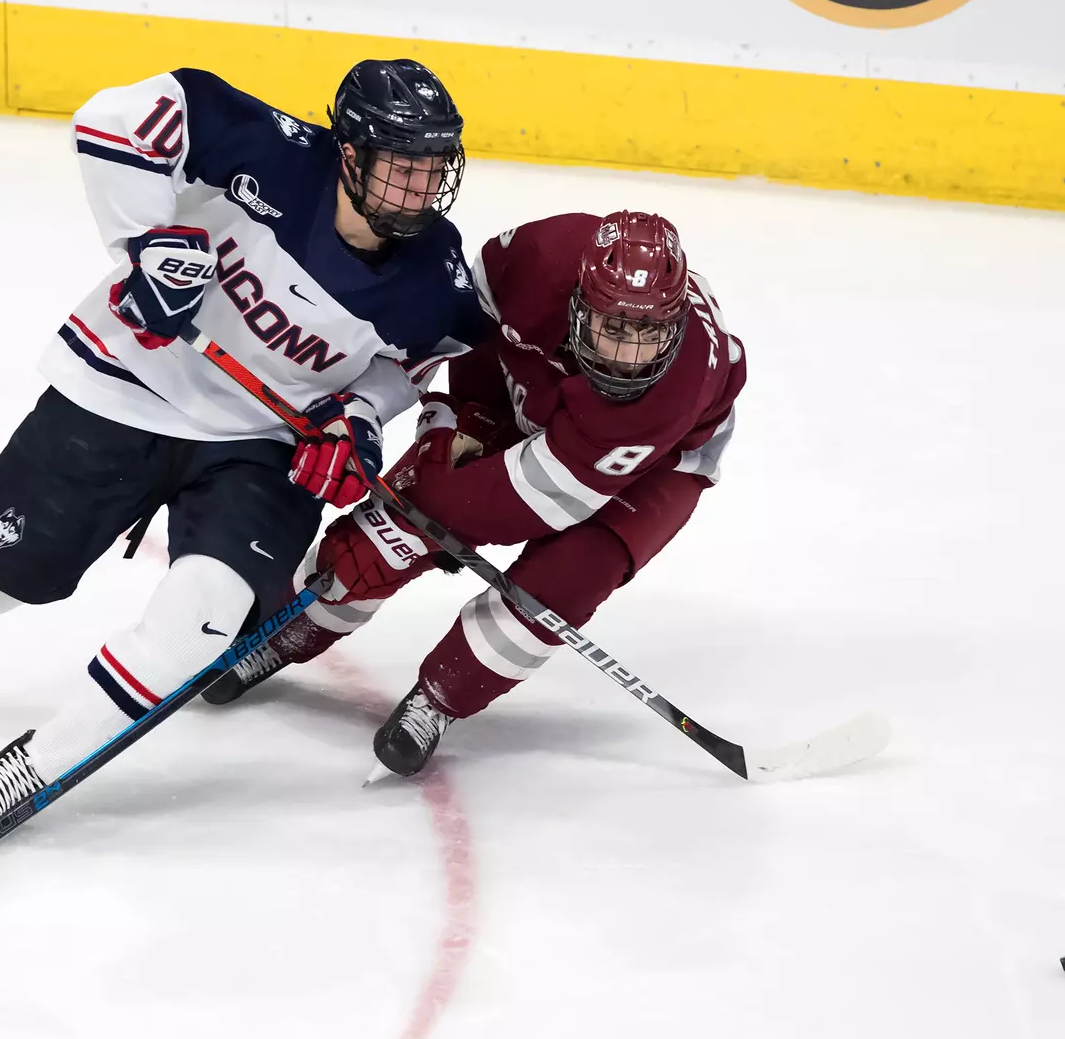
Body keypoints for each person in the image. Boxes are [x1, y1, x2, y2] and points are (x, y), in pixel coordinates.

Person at [0, 58, 491, 836]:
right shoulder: (264, 149)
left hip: (262, 445)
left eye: (434, 171)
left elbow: (409, 365)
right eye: (403, 168)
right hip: (121, 386)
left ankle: (37, 767)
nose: (421, 192)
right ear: (351, 154)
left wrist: (359, 413)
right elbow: (110, 120)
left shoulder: (439, 277)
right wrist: (146, 242)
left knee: (203, 621)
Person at [202, 211, 746, 780]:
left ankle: (440, 698)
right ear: (579, 306)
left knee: (565, 579)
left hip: (659, 464)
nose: (629, 359)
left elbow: (523, 504)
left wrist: (435, 445)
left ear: (676, 322)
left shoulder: (675, 387)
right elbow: (447, 320)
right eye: (613, 329)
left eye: (649, 334)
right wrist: (419, 409)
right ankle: (283, 629)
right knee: (390, 531)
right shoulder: (542, 258)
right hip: (531, 390)